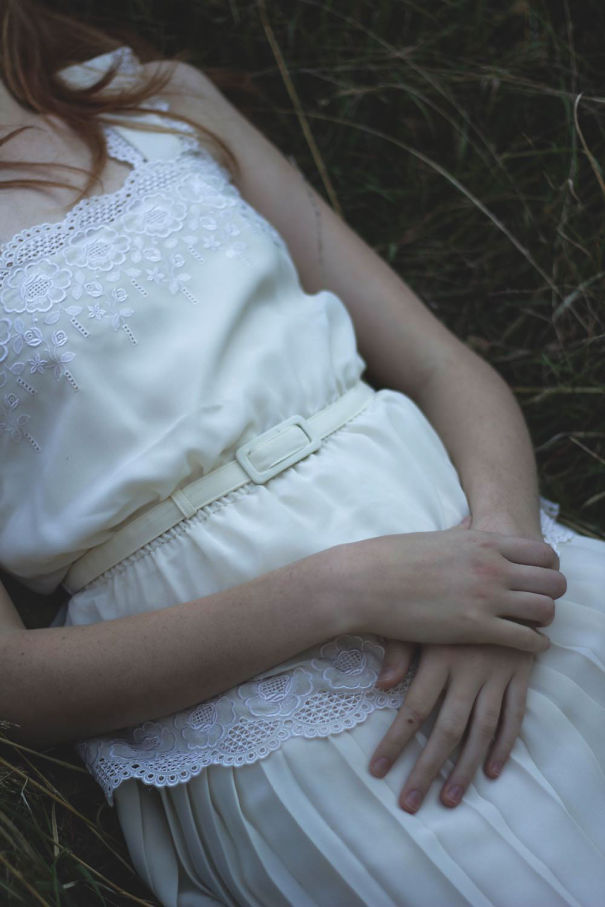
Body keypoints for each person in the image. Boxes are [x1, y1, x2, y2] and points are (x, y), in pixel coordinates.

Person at [1, 3, 603, 905]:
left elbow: (442, 365)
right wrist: (341, 589)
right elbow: (14, 684)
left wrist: (503, 585)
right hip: (258, 692)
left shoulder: (154, 99)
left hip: (495, 563)